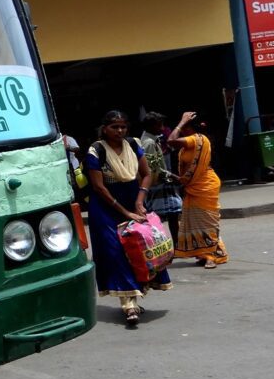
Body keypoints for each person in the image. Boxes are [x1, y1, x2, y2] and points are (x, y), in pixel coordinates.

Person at [85, 110, 172, 325]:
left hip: (133, 199)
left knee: (141, 248)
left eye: (123, 126)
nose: (120, 130)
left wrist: (139, 202)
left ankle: (137, 291)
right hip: (106, 206)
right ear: (105, 128)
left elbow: (147, 174)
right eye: (115, 127)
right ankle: (129, 305)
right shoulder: (95, 150)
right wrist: (125, 212)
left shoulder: (133, 144)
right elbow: (98, 186)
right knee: (115, 252)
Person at [167, 111, 228, 269]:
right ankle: (203, 253)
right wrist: (177, 178)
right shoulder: (190, 143)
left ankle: (212, 256)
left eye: (184, 126)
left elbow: (171, 140)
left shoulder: (197, 139)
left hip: (206, 185)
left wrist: (180, 123)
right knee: (197, 222)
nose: (182, 129)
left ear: (189, 127)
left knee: (208, 221)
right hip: (194, 185)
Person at [140, 111, 182, 245]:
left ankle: (173, 244)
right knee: (170, 215)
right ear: (152, 126)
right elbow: (153, 167)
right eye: (159, 125)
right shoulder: (149, 143)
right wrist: (172, 176)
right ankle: (173, 244)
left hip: (159, 182)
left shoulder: (150, 139)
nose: (162, 128)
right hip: (159, 184)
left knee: (168, 216)